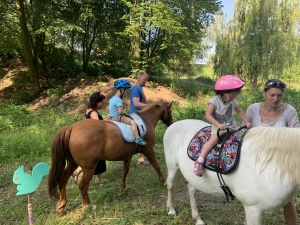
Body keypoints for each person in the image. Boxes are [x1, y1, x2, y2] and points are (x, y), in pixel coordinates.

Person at [246, 78, 299, 225]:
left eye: (279, 96)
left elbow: (296, 137)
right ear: (264, 93)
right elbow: (245, 130)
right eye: (272, 95)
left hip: (281, 160)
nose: (275, 99)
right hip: (255, 159)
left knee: (287, 199)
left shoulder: (289, 111)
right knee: (250, 195)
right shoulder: (252, 109)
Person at [194, 75, 252, 177]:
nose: (231, 99)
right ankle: (200, 160)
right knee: (214, 139)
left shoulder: (232, 101)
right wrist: (218, 125)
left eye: (234, 97)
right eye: (230, 97)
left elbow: (239, 112)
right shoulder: (214, 101)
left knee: (243, 136)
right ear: (223, 93)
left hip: (232, 124)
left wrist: (246, 121)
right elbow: (208, 115)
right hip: (218, 125)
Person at [72, 92, 107, 184]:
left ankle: (77, 172)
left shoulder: (88, 109)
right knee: (97, 158)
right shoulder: (93, 112)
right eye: (101, 103)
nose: (102, 104)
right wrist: (107, 119)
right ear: (96, 102)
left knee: (93, 159)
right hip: (95, 137)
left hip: (90, 136)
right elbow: (98, 124)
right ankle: (98, 179)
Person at [109, 79, 146, 145]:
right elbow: (120, 112)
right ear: (122, 90)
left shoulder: (112, 99)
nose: (126, 93)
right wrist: (124, 112)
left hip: (111, 117)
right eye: (126, 91)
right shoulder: (118, 100)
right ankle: (137, 138)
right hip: (118, 117)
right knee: (133, 122)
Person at [130, 71, 149, 164]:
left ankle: (140, 158)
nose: (145, 81)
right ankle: (139, 158)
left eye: (146, 80)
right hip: (135, 114)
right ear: (139, 78)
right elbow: (136, 103)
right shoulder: (136, 89)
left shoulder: (140, 88)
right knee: (142, 134)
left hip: (140, 115)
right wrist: (148, 106)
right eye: (144, 80)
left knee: (143, 134)